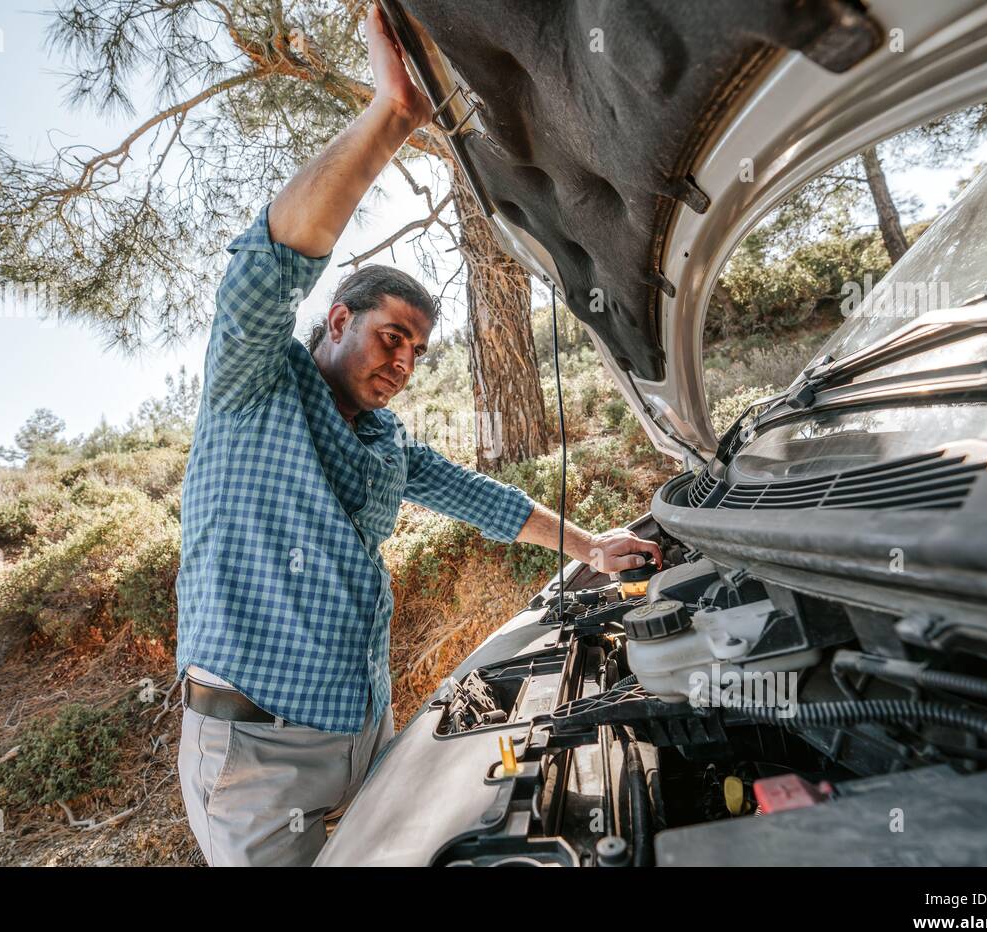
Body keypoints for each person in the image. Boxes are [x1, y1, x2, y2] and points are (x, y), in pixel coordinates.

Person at [176, 5, 662, 866]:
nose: (403, 361)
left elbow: (487, 501)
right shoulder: (252, 384)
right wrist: (391, 117)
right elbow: (262, 267)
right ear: (335, 321)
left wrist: (593, 543)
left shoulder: (387, 440)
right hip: (255, 758)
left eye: (418, 349)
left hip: (368, 733)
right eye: (389, 337)